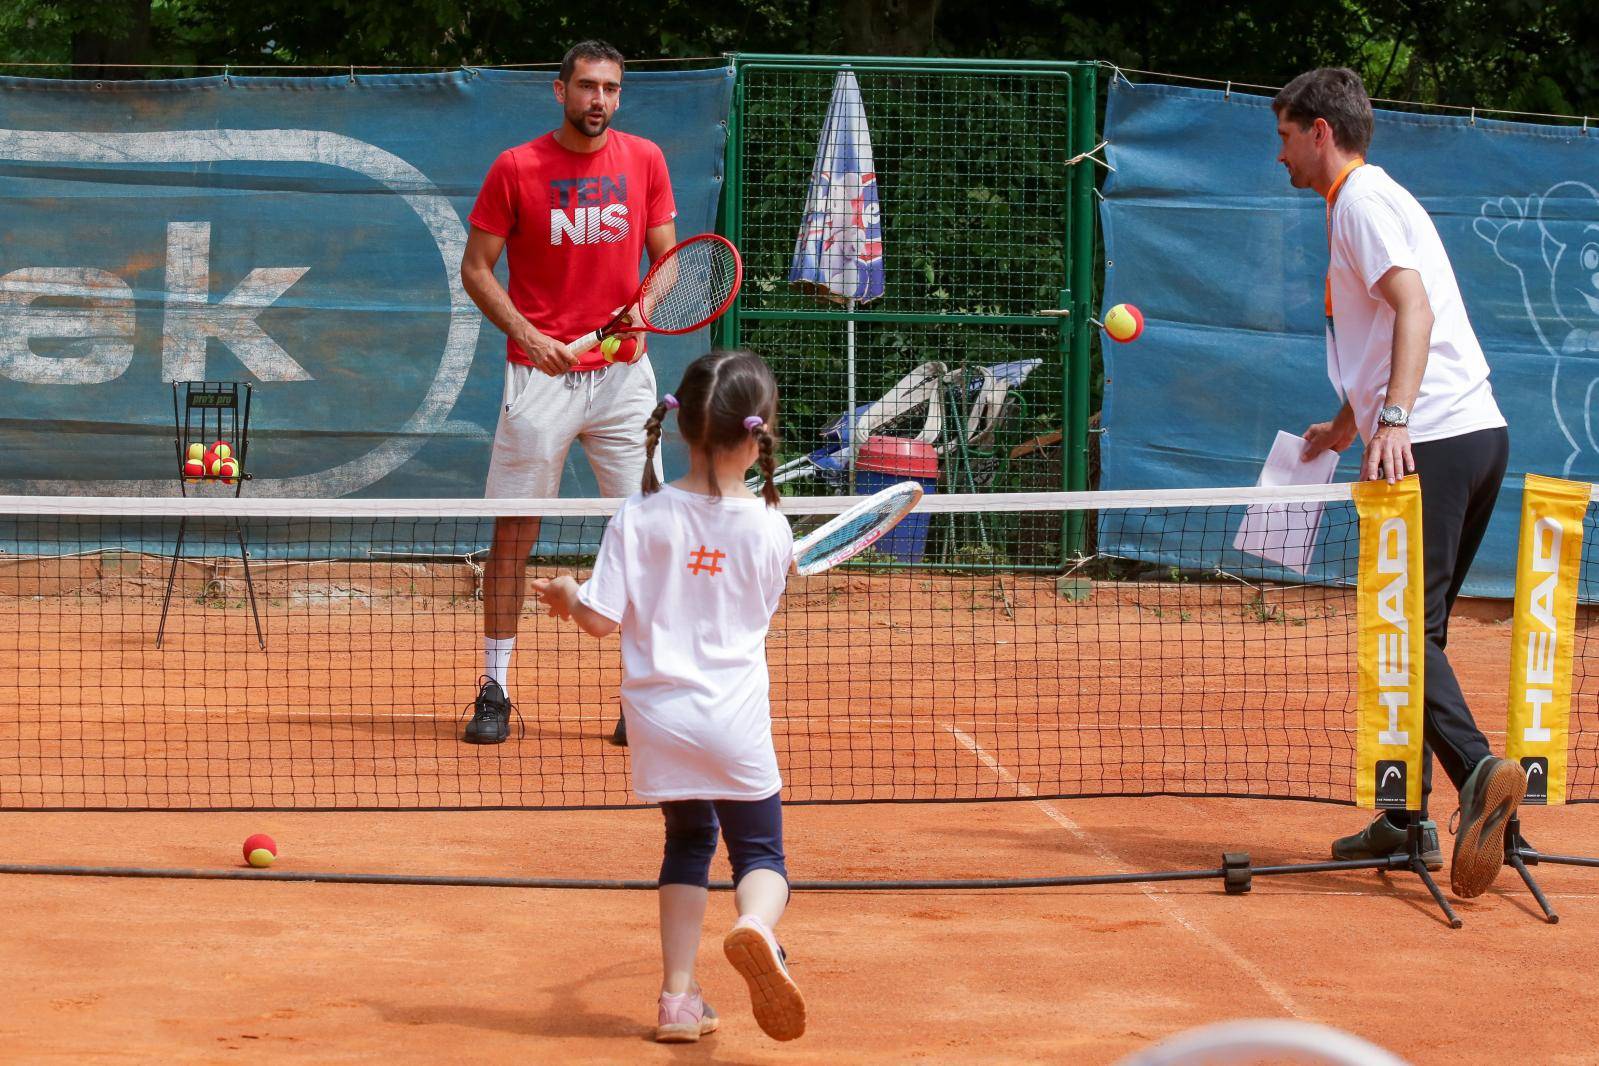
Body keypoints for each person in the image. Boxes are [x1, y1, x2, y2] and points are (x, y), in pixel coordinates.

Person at [1274, 67, 1524, 899]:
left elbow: (1412, 310)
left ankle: (1481, 771)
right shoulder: (1368, 200)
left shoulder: (1359, 202)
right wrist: (1346, 423)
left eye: (1283, 135)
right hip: (1471, 431)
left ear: (1319, 131)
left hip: (1437, 437)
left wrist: (1392, 421)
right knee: (1421, 630)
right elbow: (1382, 332)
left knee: (1400, 629)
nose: (1278, 153)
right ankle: (1404, 817)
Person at [531, 349, 806, 1043]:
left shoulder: (639, 514)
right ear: (758, 434)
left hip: (658, 719)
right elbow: (760, 601)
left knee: (687, 843)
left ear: (681, 427)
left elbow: (599, 620)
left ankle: (678, 1000)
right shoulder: (772, 528)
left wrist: (567, 597)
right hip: (733, 719)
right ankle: (754, 929)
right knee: (761, 858)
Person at [458, 39, 677, 745]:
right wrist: (531, 335)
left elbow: (668, 263)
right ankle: (494, 689)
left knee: (647, 537)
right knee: (513, 539)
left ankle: (638, 698)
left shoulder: (644, 160)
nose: (599, 101)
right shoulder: (515, 168)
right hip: (539, 377)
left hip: (623, 380)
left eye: (611, 89)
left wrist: (644, 310)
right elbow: (477, 270)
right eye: (587, 86)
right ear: (559, 91)